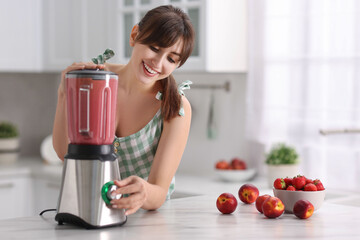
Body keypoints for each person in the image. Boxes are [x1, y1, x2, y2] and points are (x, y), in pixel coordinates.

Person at [52, 5, 195, 216]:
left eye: (171, 59)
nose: (158, 62)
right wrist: (64, 94)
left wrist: (144, 192)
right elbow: (65, 154)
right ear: (135, 35)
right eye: (155, 48)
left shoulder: (175, 107)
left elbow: (159, 191)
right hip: (91, 211)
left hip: (147, 222)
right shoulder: (94, 79)